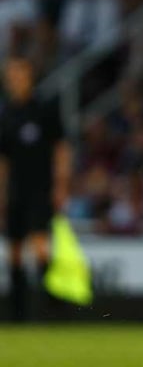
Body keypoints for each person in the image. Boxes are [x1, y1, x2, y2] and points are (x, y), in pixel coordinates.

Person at [0, 56, 71, 321]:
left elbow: (61, 149)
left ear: (29, 76)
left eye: (18, 75)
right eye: (10, 77)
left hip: (41, 188)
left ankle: (54, 307)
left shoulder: (44, 108)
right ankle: (18, 313)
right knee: (15, 251)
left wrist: (61, 185)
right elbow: (3, 160)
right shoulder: (6, 114)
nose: (14, 81)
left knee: (41, 245)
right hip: (16, 190)